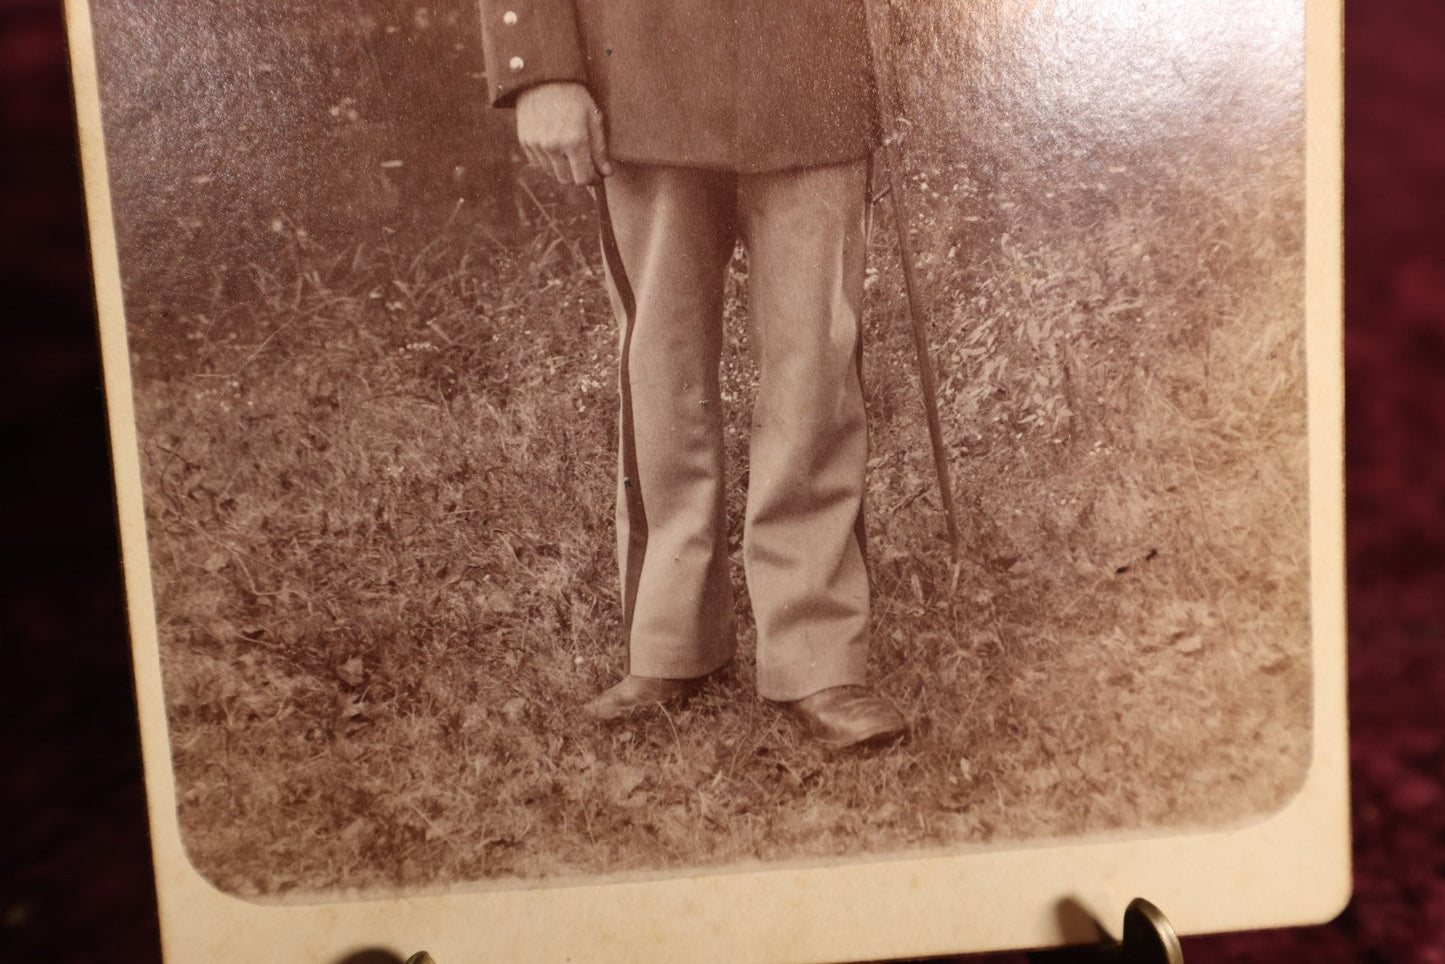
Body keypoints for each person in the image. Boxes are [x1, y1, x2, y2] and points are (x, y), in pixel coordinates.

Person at [479, 0, 908, 749]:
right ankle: (669, 639)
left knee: (816, 368)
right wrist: (540, 68)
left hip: (813, 67)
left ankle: (817, 652)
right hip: (638, 66)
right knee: (661, 368)